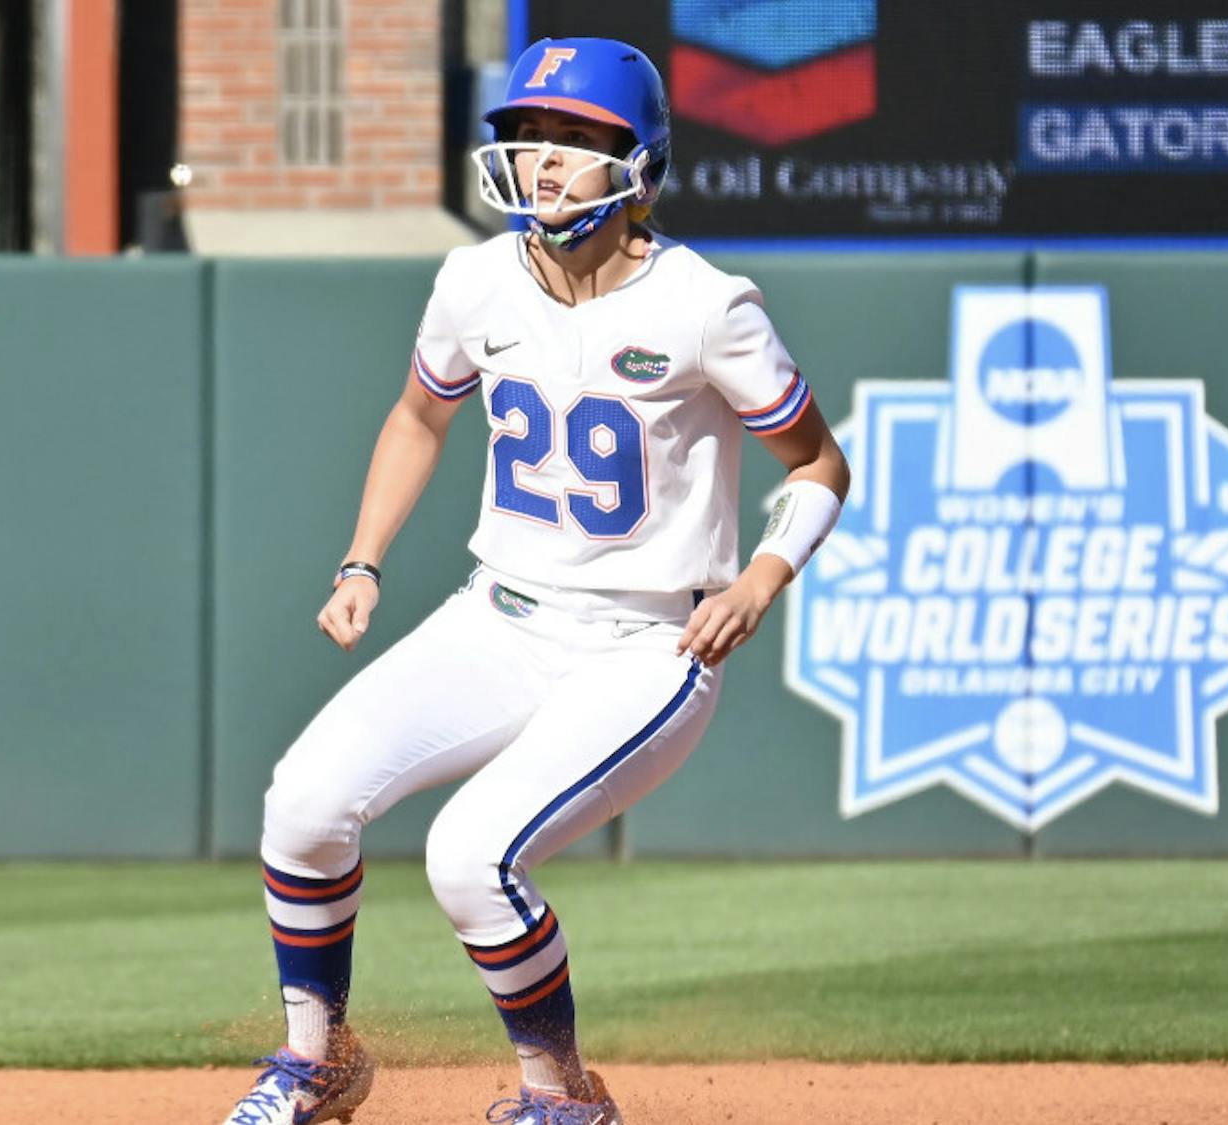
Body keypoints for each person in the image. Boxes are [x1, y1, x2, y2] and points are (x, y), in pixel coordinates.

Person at [218, 35, 850, 1125]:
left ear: (639, 161)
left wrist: (762, 576)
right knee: (304, 804)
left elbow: (818, 462)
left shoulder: (707, 304)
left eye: (573, 136)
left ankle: (562, 1097)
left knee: (472, 858)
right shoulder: (474, 280)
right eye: (527, 133)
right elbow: (419, 416)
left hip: (649, 642)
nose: (543, 156)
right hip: (499, 616)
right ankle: (319, 1059)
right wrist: (363, 559)